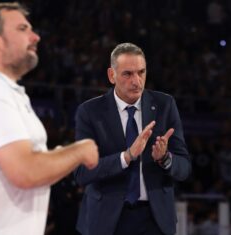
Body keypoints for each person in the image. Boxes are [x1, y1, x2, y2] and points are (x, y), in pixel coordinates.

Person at [0, 2, 98, 235]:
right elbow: (26, 171)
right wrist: (80, 151)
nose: (35, 37)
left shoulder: (2, 90)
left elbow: (29, 163)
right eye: (23, 29)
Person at [74, 42, 191, 235]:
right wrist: (126, 157)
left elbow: (184, 168)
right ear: (112, 75)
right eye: (127, 74)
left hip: (155, 221)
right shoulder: (90, 112)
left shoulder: (165, 105)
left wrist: (165, 159)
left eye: (141, 72)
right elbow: (82, 173)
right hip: (106, 221)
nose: (136, 81)